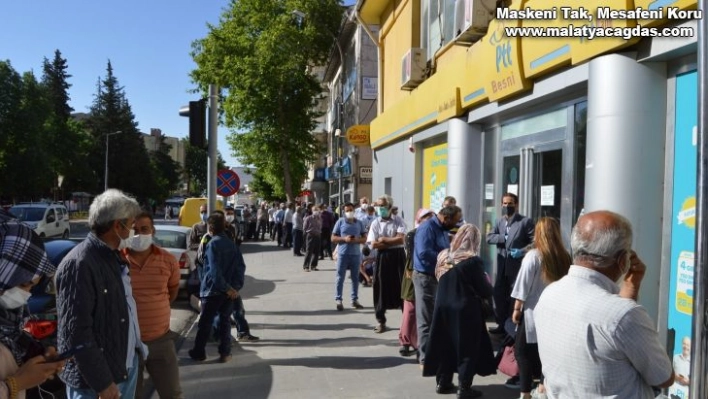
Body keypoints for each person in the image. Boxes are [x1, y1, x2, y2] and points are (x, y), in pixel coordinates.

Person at [534, 210, 674, 398]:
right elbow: (663, 378)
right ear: (622, 260)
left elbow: (611, 329)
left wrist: (631, 287)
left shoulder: (549, 294)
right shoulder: (624, 315)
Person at [56, 189, 147, 399]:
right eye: (131, 225)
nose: (133, 231)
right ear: (118, 226)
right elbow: (76, 333)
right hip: (96, 385)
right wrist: (103, 383)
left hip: (122, 371)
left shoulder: (112, 257)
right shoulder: (80, 264)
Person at [423, 224, 496, 399]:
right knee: (467, 346)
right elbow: (484, 290)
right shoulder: (472, 261)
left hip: (442, 307)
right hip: (465, 310)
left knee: (445, 343)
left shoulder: (443, 256)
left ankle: (443, 382)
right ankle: (464, 387)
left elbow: (438, 277)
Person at [0, 209, 66, 397]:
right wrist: (16, 383)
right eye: (23, 284)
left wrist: (39, 355)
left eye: (32, 286)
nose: (26, 295)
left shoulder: (8, 324)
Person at [123, 212, 183, 399]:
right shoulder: (117, 260)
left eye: (144, 229)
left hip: (161, 340)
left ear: (153, 231)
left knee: (172, 393)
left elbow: (172, 291)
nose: (139, 234)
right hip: (127, 344)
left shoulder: (168, 260)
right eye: (134, 230)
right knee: (133, 395)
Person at [510, 217, 571, 399]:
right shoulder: (565, 257)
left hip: (533, 311)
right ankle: (544, 387)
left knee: (522, 351)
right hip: (558, 311)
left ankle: (525, 392)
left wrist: (516, 309)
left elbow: (523, 285)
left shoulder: (534, 256)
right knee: (548, 352)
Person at [413, 205, 462, 367]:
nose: (455, 225)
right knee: (425, 318)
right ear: (446, 218)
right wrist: (446, 259)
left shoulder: (441, 228)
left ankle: (434, 353)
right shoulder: (427, 228)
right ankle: (425, 358)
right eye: (454, 221)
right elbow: (424, 253)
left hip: (438, 276)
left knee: (436, 317)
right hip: (425, 277)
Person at [189, 212, 241, 363]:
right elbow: (240, 268)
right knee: (224, 321)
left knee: (205, 322)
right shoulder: (232, 244)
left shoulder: (212, 244)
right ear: (224, 225)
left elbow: (214, 271)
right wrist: (234, 288)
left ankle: (199, 352)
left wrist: (226, 288)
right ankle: (225, 353)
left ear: (210, 228)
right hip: (228, 292)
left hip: (213, 290)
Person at [485, 193, 535, 336]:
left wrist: (522, 251)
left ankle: (512, 328)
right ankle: (502, 324)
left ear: (516, 204)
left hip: (516, 267)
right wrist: (504, 237)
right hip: (502, 267)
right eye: (505, 203)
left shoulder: (525, 222)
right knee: (499, 296)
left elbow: (536, 242)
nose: (507, 206)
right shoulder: (499, 222)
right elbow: (489, 237)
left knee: (514, 298)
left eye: (510, 203)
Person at [366, 195, 407, 333]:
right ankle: (381, 321)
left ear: (389, 207)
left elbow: (401, 240)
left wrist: (383, 239)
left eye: (382, 206)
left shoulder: (399, 221)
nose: (379, 208)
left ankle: (406, 323)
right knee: (380, 287)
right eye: (377, 206)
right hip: (383, 258)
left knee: (403, 287)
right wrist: (391, 240)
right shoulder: (375, 223)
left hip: (398, 257)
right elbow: (374, 244)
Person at [399, 209, 435, 358]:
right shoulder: (412, 234)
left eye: (430, 218)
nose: (428, 221)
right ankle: (405, 341)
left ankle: (420, 342)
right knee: (410, 308)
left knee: (424, 311)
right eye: (425, 218)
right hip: (413, 272)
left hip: (430, 274)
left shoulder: (435, 234)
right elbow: (413, 255)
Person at [331, 203, 367, 311]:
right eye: (347, 210)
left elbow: (365, 238)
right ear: (344, 211)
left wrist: (356, 240)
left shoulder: (359, 223)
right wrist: (344, 239)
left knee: (355, 278)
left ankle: (354, 300)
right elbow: (333, 238)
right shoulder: (340, 222)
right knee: (340, 277)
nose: (349, 212)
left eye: (351, 210)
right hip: (343, 254)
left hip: (355, 254)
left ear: (354, 210)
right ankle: (339, 300)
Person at [302, 206, 322, 272]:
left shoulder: (320, 218)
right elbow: (304, 228)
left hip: (318, 235)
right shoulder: (308, 218)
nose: (317, 211)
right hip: (310, 235)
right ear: (312, 211)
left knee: (316, 252)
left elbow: (320, 227)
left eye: (317, 210)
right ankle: (306, 266)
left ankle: (313, 266)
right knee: (309, 251)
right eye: (315, 210)